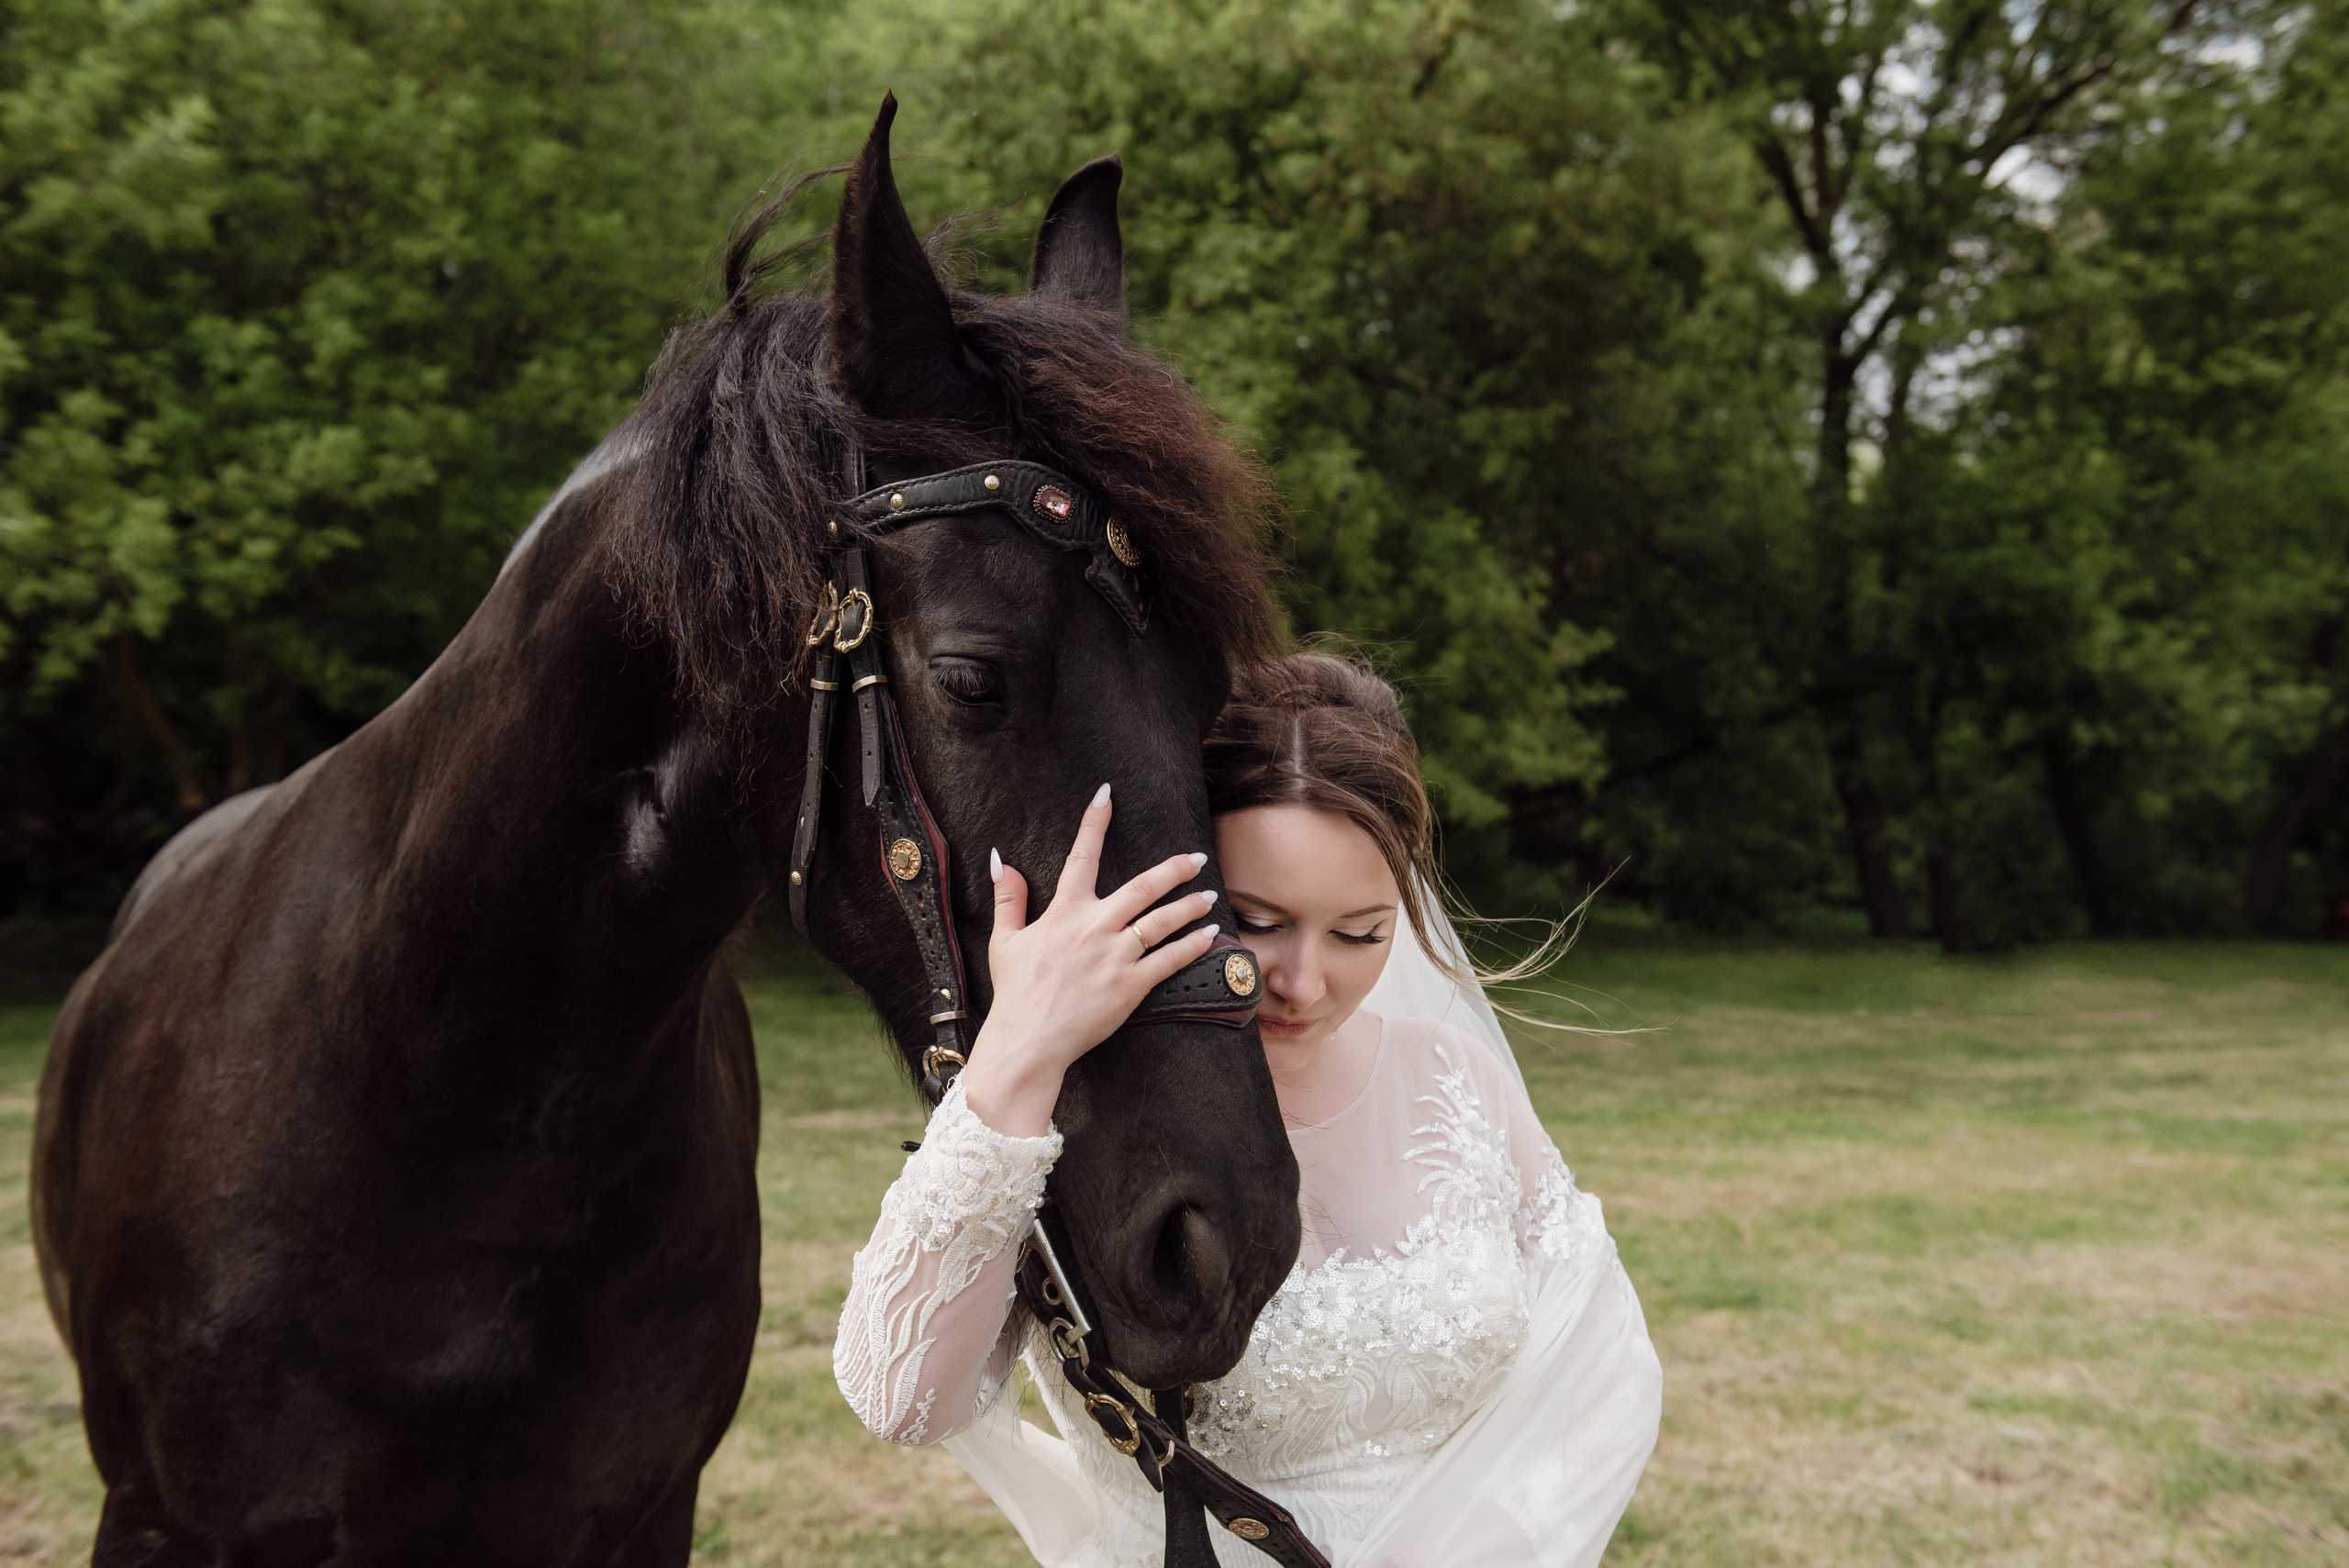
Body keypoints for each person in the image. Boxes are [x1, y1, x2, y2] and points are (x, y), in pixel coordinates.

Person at [833, 653, 1662, 1567]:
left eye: (1361, 932)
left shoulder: (1452, 1075)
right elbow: (902, 1396)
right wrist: (1018, 1058)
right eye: (1259, 920)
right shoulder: (1066, 1119)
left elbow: (1601, 1367)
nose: (1305, 982)